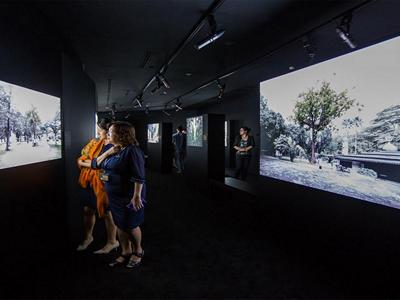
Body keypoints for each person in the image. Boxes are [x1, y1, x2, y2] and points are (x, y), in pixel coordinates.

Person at [93, 121, 146, 268]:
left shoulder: (132, 151)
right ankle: (125, 252)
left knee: (131, 225)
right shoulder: (115, 149)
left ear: (122, 135)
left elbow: (139, 176)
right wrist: (109, 152)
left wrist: (136, 196)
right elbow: (95, 164)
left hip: (128, 196)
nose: (107, 134)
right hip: (115, 196)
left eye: (111, 132)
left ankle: (138, 251)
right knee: (120, 225)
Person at [76, 118, 119, 254]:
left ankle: (112, 241)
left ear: (106, 130)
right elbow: (82, 158)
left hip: (104, 182)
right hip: (89, 181)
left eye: (99, 128)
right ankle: (88, 237)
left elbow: (99, 164)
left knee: (107, 212)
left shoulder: (115, 145)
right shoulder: (95, 142)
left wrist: (88, 163)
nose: (98, 131)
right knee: (88, 209)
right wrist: (90, 163)